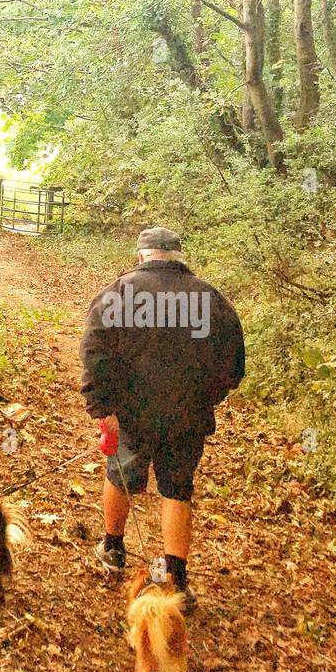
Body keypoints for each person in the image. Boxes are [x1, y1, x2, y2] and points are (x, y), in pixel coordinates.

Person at [80, 226, 245, 609]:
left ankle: (113, 549)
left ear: (142, 255)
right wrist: (205, 398)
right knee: (177, 488)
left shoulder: (117, 294)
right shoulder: (212, 300)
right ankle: (177, 579)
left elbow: (94, 353)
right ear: (177, 255)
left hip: (131, 415)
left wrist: (103, 408)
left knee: (119, 476)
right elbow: (234, 366)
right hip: (187, 416)